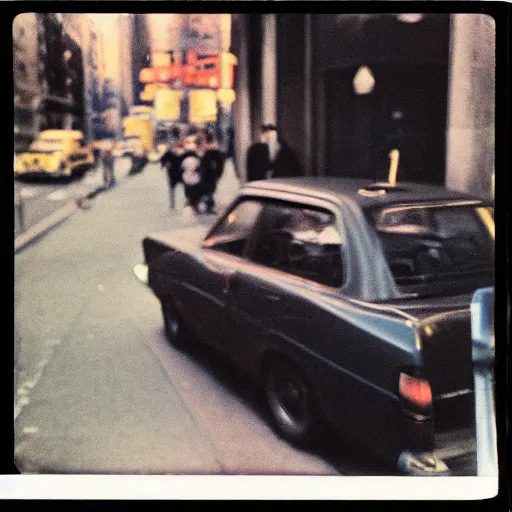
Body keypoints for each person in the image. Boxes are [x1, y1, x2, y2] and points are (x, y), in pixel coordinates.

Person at [200, 131, 226, 214]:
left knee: (208, 191)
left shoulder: (208, 152)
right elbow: (220, 163)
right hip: (211, 175)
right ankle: (209, 206)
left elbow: (206, 165)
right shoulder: (214, 152)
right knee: (209, 191)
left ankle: (209, 206)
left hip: (208, 175)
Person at [179, 134, 204, 215]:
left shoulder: (185, 159)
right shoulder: (197, 159)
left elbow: (182, 168)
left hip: (188, 179)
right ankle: (194, 205)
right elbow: (199, 168)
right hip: (194, 179)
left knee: (190, 194)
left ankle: (192, 204)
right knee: (195, 194)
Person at [160, 126, 184, 209]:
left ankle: (172, 204)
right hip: (179, 169)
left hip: (172, 170)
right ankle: (177, 203)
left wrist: (164, 164)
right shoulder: (180, 143)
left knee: (172, 188)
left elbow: (165, 156)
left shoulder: (171, 145)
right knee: (183, 186)